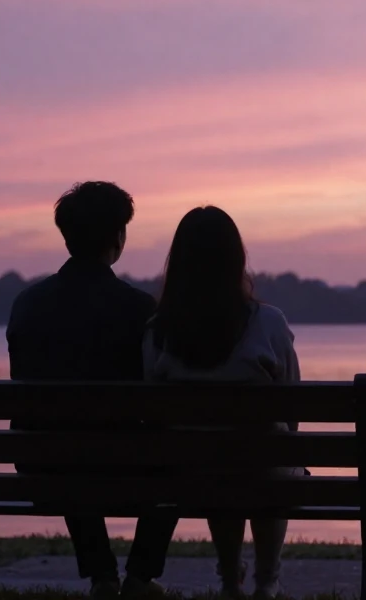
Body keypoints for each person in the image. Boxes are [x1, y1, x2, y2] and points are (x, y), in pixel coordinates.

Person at [7, 181, 177, 599]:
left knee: (66, 444)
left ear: (67, 238)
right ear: (118, 237)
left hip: (42, 464)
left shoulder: (28, 304)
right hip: (122, 463)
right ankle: (139, 576)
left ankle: (102, 576)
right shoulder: (140, 309)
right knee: (177, 458)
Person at [142, 206, 300, 600]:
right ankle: (266, 582)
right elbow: (292, 403)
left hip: (193, 474)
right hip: (262, 468)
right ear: (236, 259)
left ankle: (231, 581)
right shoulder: (269, 323)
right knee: (270, 456)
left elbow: (151, 407)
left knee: (215, 457)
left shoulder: (158, 331)